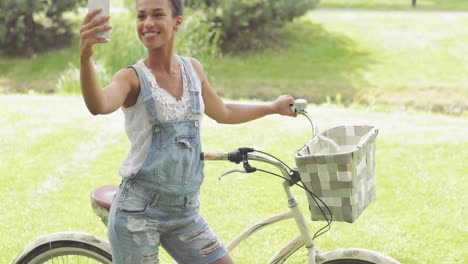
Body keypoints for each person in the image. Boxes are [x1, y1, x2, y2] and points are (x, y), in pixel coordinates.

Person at [79, 0, 296, 263]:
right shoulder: (131, 78)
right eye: (141, 16)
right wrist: (86, 56)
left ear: (176, 22)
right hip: (138, 214)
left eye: (157, 14)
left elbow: (224, 111)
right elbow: (98, 104)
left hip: (184, 214)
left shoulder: (193, 70)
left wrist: (272, 108)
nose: (147, 23)